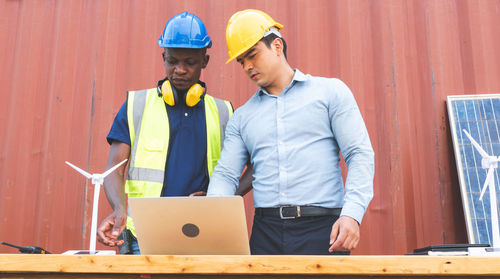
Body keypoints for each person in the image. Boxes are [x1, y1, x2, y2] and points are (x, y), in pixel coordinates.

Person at [207, 9, 374, 255]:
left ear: (276, 46)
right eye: (242, 61)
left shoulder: (330, 93)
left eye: (252, 55)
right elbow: (225, 175)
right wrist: (211, 219)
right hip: (266, 234)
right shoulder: (242, 117)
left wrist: (352, 214)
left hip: (323, 231)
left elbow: (359, 154)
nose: (247, 67)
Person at [97, 11, 251, 254]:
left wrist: (225, 196)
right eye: (172, 61)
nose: (179, 70)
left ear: (205, 61)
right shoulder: (136, 106)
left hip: (205, 231)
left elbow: (255, 166)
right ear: (163, 58)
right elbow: (113, 170)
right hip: (145, 235)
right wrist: (119, 209)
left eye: (189, 62)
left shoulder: (224, 112)